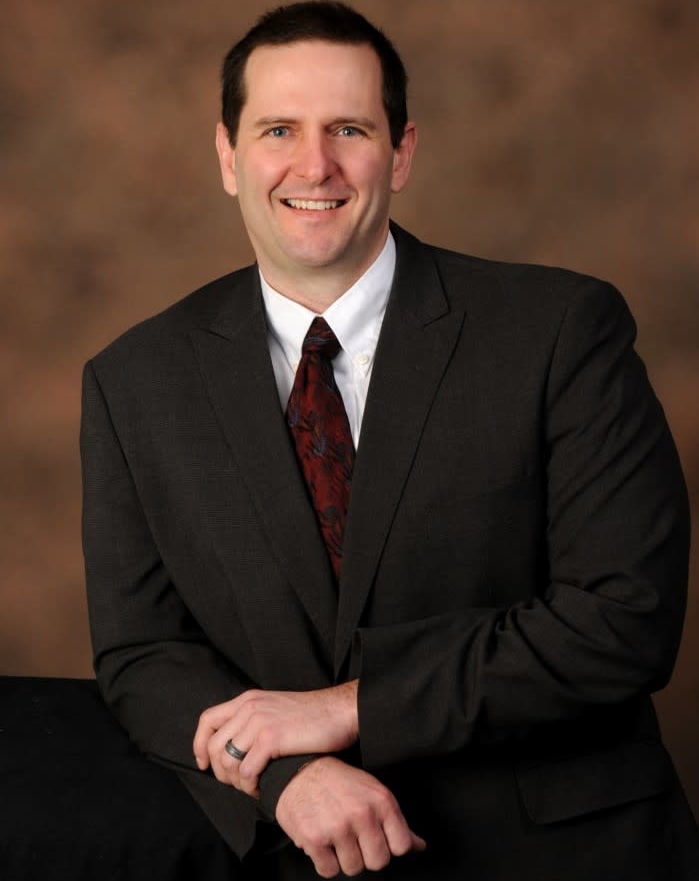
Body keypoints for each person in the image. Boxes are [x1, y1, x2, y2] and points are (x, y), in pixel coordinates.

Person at [80, 2, 699, 879]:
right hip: (294, 853)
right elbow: (143, 655)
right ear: (226, 155)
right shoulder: (131, 380)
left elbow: (622, 620)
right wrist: (285, 776)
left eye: (349, 128)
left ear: (401, 151)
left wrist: (351, 707)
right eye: (278, 130)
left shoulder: (559, 329)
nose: (314, 165)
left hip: (564, 850)